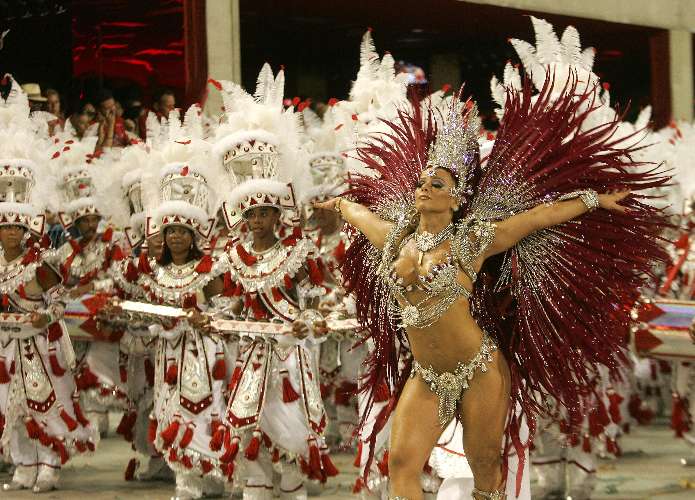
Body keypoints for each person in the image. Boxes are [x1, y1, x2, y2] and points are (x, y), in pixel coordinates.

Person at [314, 76, 669, 499]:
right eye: (422, 182)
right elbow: (356, 213)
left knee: (485, 466)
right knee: (402, 466)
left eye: (437, 184)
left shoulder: (472, 241)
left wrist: (596, 200)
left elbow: (539, 217)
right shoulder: (394, 240)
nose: (424, 188)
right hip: (428, 375)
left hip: (479, 370)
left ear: (456, 200)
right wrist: (335, 205)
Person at [212, 63, 338, 500]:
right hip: (250, 352)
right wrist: (214, 318)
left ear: (276, 214)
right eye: (251, 214)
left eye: (264, 213)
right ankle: (256, 486)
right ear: (243, 217)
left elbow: (318, 295)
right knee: (248, 422)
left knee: (290, 422)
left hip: (288, 351)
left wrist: (310, 319)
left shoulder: (298, 251)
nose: (258, 220)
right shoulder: (234, 256)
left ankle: (292, 485)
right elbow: (231, 301)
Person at [0, 75, 98, 493]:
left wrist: (45, 317)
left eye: (16, 228)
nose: (10, 233)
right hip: (5, 345)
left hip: (39, 344)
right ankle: (23, 463)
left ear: (26, 230)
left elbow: (60, 301)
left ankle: (50, 463)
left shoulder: (40, 262)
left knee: (45, 401)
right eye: (5, 228)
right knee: (10, 406)